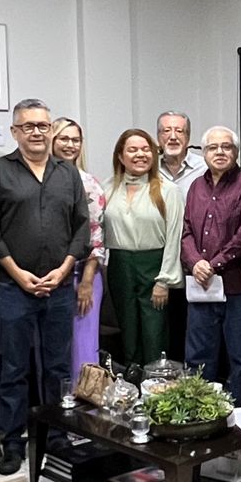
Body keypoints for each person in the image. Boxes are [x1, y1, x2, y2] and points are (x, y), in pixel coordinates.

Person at [0, 98, 91, 475]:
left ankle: (56, 436)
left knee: (57, 368)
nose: (37, 132)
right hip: (15, 287)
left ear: (51, 130)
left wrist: (65, 268)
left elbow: (82, 227)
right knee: (14, 367)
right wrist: (17, 273)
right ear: (15, 132)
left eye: (43, 126)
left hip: (60, 286)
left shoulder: (67, 173)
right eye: (28, 126)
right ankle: (13, 441)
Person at [181, 126, 241, 403]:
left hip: (236, 285)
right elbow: (186, 230)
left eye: (227, 147)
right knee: (198, 356)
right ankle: (200, 411)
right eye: (213, 147)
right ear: (204, 152)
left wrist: (213, 263)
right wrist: (195, 262)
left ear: (236, 152)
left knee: (240, 356)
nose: (220, 152)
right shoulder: (196, 187)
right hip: (201, 286)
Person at [103, 128, 186, 368]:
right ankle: (131, 380)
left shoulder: (168, 190)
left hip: (154, 267)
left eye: (145, 149)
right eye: (132, 150)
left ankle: (155, 381)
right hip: (120, 267)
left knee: (154, 331)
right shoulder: (108, 188)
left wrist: (165, 280)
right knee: (127, 329)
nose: (140, 154)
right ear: (121, 156)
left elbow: (175, 238)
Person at [51, 117, 106, 380]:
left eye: (75, 140)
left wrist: (86, 282)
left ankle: (85, 403)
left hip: (82, 276)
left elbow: (96, 236)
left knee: (83, 350)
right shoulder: (38, 180)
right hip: (48, 278)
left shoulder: (89, 184)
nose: (70, 145)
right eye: (64, 138)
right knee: (53, 349)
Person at [157, 110, 205, 360]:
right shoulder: (149, 169)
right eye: (167, 131)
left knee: (197, 329)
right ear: (158, 137)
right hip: (161, 263)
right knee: (166, 328)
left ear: (188, 136)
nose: (173, 136)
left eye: (180, 131)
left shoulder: (204, 167)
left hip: (196, 261)